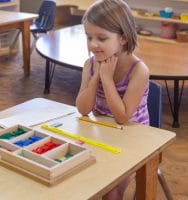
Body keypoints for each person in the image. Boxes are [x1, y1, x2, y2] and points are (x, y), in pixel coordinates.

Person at [75, 0, 150, 199]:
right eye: (89, 37)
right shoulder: (89, 65)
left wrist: (107, 80)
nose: (93, 44)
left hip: (133, 138)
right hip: (102, 134)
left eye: (102, 38)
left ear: (123, 38)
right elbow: (83, 109)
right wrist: (95, 78)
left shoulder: (139, 70)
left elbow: (122, 117)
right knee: (73, 176)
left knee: (112, 191)